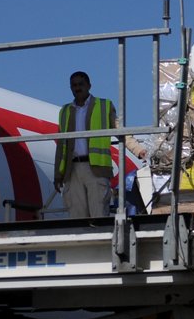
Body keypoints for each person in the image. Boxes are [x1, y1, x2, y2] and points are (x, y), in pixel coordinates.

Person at [53, 71, 146, 217]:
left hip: (95, 169)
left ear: (89, 86)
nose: (77, 88)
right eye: (74, 85)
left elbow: (120, 130)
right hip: (72, 170)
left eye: (81, 84)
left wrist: (138, 149)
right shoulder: (65, 111)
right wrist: (58, 175)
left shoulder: (104, 106)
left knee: (98, 213)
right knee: (77, 215)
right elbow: (61, 145)